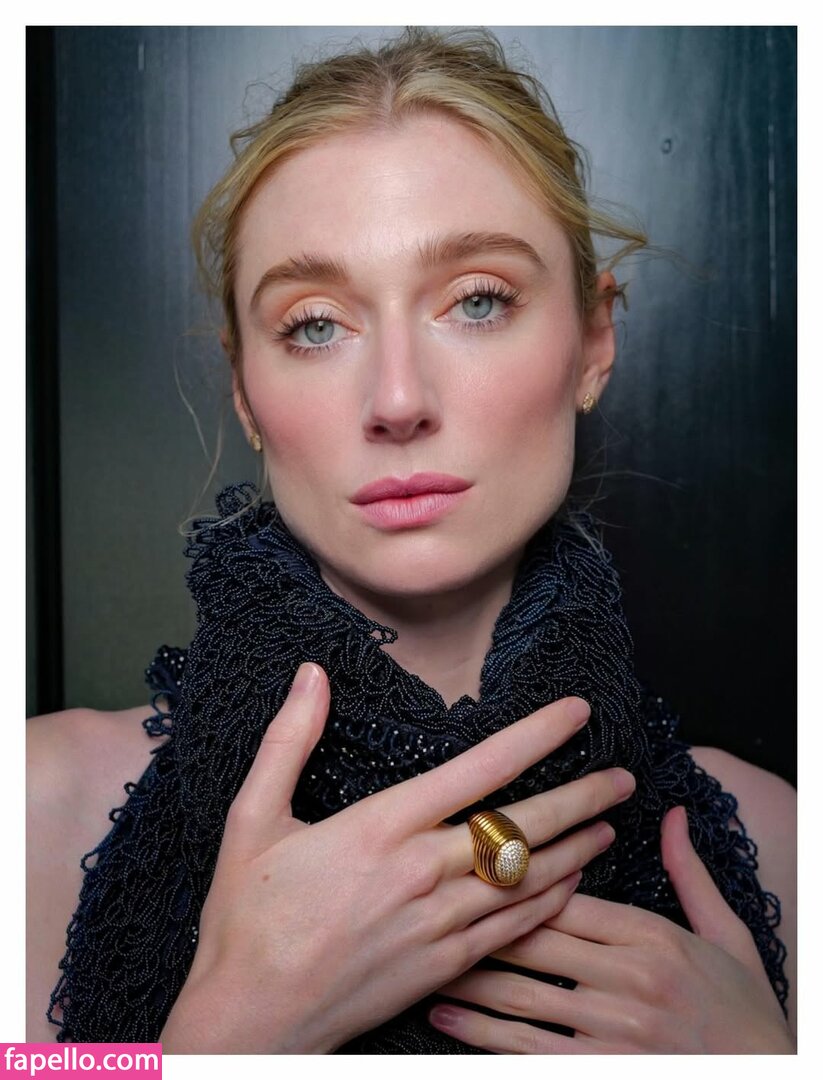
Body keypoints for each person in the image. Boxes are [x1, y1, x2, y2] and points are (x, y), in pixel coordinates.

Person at [26, 27, 796, 1053]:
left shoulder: (783, 849)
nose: (396, 399)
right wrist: (228, 1033)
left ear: (591, 342)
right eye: (314, 324)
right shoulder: (35, 815)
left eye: (476, 301)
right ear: (245, 389)